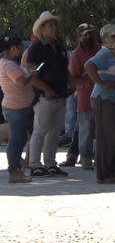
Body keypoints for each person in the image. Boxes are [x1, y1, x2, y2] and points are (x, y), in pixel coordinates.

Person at [26, 11, 73, 178]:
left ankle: (50, 163)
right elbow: (30, 73)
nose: (54, 28)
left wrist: (72, 84)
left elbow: (65, 69)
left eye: (55, 25)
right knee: (40, 130)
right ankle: (34, 164)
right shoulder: (36, 49)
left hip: (60, 94)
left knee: (54, 131)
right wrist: (45, 89)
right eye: (50, 25)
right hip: (44, 96)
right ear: (42, 28)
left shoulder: (60, 48)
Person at [84, 25, 115, 184]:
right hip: (105, 99)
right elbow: (89, 66)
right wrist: (102, 84)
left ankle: (114, 171)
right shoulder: (104, 52)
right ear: (104, 39)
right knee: (107, 136)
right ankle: (104, 174)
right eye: (112, 36)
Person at [0, 37, 40, 183]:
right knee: (16, 140)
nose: (22, 51)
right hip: (15, 107)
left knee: (20, 138)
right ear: (13, 49)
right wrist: (32, 75)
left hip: (19, 106)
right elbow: (21, 82)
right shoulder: (8, 65)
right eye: (20, 48)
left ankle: (16, 165)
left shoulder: (9, 63)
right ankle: (13, 170)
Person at [65, 23, 101, 169]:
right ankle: (86, 160)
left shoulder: (100, 50)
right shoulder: (76, 55)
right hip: (85, 97)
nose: (88, 37)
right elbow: (73, 78)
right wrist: (89, 80)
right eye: (85, 34)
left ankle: (100, 158)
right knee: (85, 131)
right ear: (79, 37)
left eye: (91, 34)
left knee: (102, 130)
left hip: (102, 96)